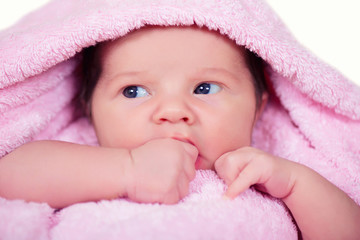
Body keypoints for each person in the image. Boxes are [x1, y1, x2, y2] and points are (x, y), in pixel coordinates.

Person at [0, 26, 359, 239]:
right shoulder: (79, 156)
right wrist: (126, 169)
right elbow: (8, 178)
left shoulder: (269, 172)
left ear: (260, 102)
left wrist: (296, 184)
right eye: (133, 91)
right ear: (87, 107)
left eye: (205, 88)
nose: (173, 111)